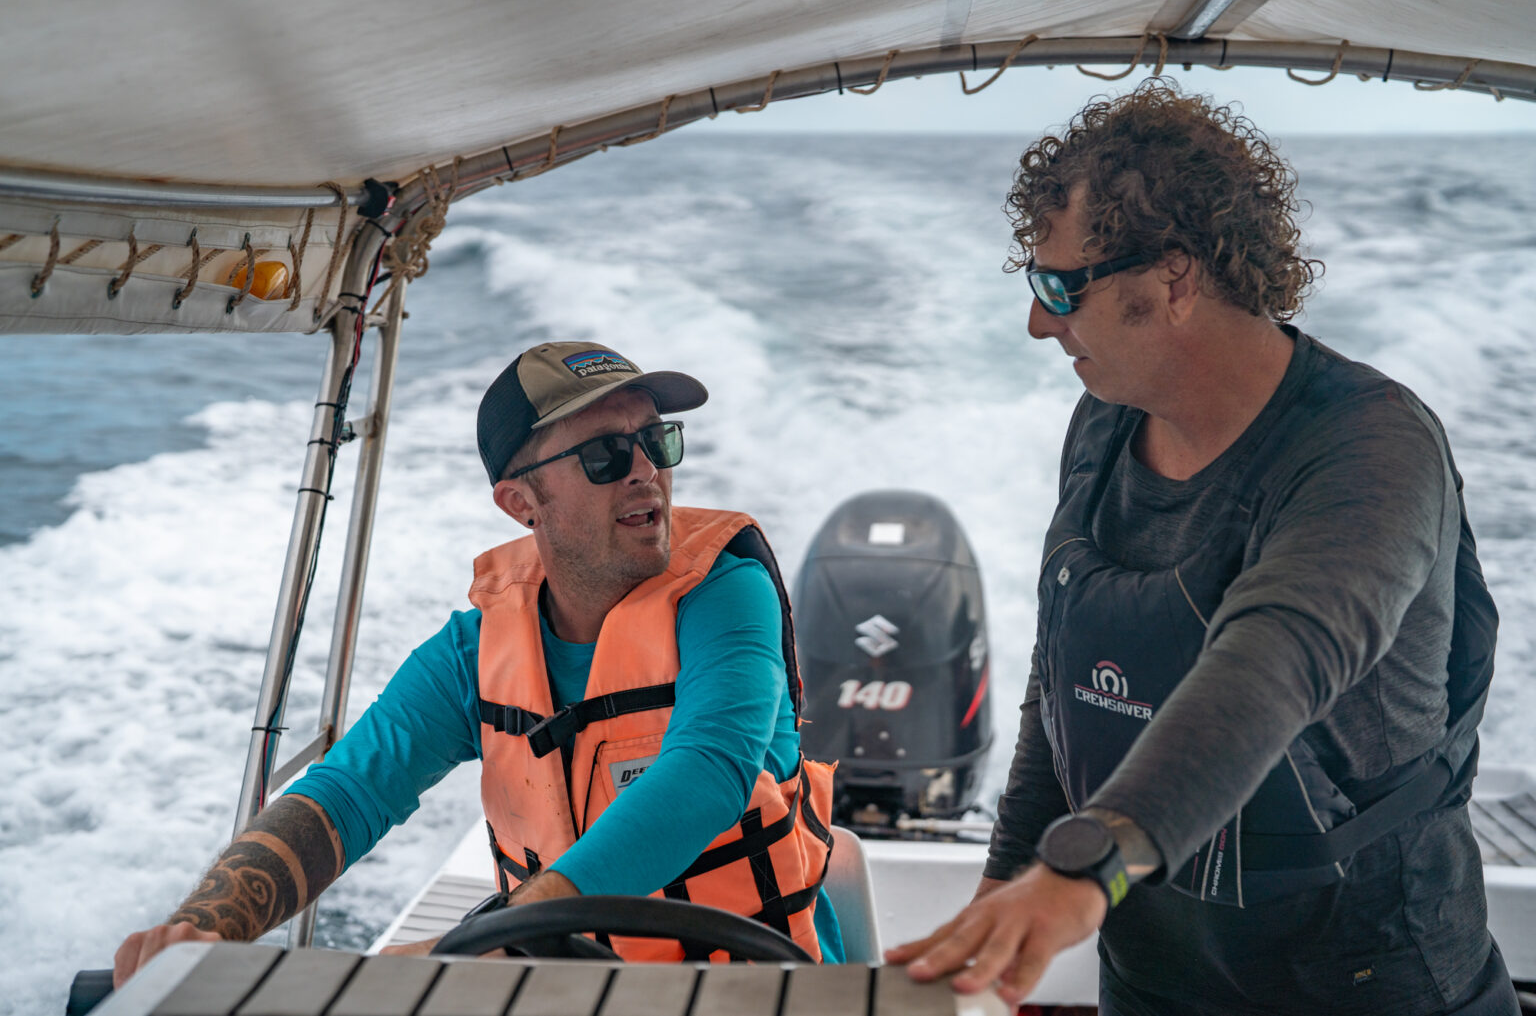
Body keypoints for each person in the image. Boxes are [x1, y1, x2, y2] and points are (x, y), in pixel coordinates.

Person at [887, 81, 1514, 1015]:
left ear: (1174, 279)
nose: (1037, 321)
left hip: (1366, 977)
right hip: (1154, 975)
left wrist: (1086, 865)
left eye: (1063, 288)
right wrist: (1009, 879)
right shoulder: (1102, 427)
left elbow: (1273, 664)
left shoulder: (1372, 450)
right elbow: (1064, 677)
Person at [115, 340, 841, 985]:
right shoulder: (474, 652)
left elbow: (708, 770)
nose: (646, 470)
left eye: (655, 439)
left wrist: (489, 942)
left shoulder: (727, 591)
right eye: (606, 454)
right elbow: (347, 792)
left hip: (760, 985)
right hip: (565, 985)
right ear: (520, 501)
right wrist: (207, 925)